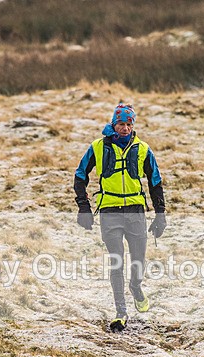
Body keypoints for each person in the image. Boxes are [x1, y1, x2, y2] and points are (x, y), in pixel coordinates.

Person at [73, 103, 166, 332]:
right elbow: (80, 176)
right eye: (121, 124)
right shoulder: (97, 147)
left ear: (133, 125)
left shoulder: (143, 149)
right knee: (117, 262)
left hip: (135, 212)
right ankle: (120, 312)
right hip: (110, 212)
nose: (125, 128)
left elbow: (155, 182)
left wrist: (160, 214)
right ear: (113, 124)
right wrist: (83, 207)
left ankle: (135, 286)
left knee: (138, 261)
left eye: (128, 124)